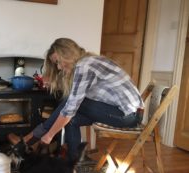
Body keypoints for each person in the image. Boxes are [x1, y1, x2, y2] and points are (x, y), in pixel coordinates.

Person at [8, 38, 144, 162]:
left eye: (58, 62)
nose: (59, 67)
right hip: (120, 111)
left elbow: (71, 107)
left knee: (69, 105)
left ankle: (29, 140)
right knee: (71, 120)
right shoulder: (88, 61)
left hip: (128, 115)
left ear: (67, 54)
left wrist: (49, 135)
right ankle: (73, 164)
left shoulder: (84, 65)